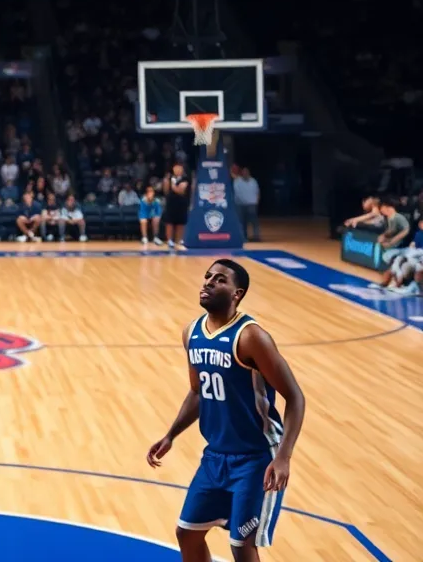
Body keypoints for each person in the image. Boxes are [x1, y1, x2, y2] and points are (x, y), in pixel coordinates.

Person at [147, 259, 306, 562]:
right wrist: (171, 434)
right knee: (187, 533)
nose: (208, 282)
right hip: (216, 457)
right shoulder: (191, 332)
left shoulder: (251, 337)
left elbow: (295, 397)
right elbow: (198, 391)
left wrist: (284, 456)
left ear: (237, 294)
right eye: (207, 276)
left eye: (220, 280)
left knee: (241, 545)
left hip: (256, 458)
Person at [163, 163, 190, 250]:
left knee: (180, 223)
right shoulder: (169, 178)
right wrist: (166, 181)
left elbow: (180, 191)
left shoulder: (185, 179)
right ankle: (170, 240)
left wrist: (173, 184)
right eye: (176, 168)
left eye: (180, 168)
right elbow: (166, 191)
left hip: (181, 202)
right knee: (169, 222)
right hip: (171, 202)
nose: (178, 170)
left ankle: (179, 241)